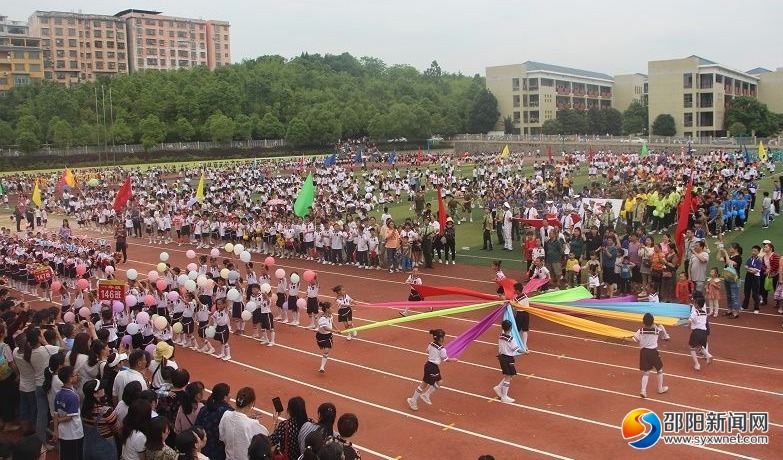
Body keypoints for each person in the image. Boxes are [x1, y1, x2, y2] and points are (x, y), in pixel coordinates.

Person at [219, 387, 268, 460]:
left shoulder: (226, 415)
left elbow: (222, 437)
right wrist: (275, 422)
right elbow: (266, 438)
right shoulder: (252, 423)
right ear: (251, 403)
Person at [407, 329, 450, 411]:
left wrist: (434, 355)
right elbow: (446, 359)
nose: (444, 338)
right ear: (441, 338)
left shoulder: (431, 344)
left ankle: (425, 395)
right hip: (432, 367)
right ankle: (413, 400)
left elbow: (427, 351)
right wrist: (453, 359)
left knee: (439, 382)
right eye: (444, 337)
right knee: (424, 384)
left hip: (430, 366)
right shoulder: (442, 349)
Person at [632, 313, 669, 398]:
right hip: (653, 352)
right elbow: (660, 328)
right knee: (659, 369)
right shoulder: (656, 331)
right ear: (652, 322)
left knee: (646, 372)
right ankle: (660, 388)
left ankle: (643, 390)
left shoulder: (640, 331)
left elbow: (634, 339)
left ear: (643, 322)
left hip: (644, 352)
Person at [81, 378, 119, 460]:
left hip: (88, 448)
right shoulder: (106, 411)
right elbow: (116, 429)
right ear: (95, 394)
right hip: (105, 451)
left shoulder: (84, 409)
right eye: (101, 388)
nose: (103, 389)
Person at [194, 383, 232, 460]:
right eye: (229, 393)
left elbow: (197, 427)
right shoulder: (228, 412)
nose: (230, 395)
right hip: (219, 450)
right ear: (225, 397)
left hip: (204, 447)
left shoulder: (204, 408)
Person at [54, 366, 85, 460]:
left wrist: (56, 431)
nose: (77, 376)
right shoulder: (72, 396)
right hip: (74, 433)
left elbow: (55, 414)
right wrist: (59, 419)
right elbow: (69, 417)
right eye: (75, 375)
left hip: (63, 433)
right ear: (70, 378)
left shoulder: (58, 394)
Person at [493, 320, 523, 404]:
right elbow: (516, 349)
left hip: (502, 357)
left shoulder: (500, 337)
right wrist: (525, 352)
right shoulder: (510, 339)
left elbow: (500, 348)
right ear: (511, 328)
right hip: (508, 359)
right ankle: (504, 396)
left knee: (509, 375)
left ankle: (498, 388)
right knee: (508, 376)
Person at [688, 297, 713, 371]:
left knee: (691, 348)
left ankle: (697, 364)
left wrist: (680, 324)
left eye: (694, 303)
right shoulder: (704, 313)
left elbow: (689, 321)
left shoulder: (695, 313)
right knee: (699, 346)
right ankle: (708, 355)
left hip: (696, 332)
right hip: (704, 333)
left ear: (696, 305)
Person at [741, 245, 763, 314]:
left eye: (755, 251)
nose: (753, 252)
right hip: (748, 277)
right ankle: (745, 306)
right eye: (752, 250)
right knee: (746, 292)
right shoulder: (749, 259)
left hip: (755, 278)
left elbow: (756, 271)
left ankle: (756, 308)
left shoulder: (759, 260)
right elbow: (745, 268)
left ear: (758, 252)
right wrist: (751, 269)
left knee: (755, 293)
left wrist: (749, 269)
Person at [316, 302, 336, 373]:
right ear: (327, 309)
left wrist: (336, 329)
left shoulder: (331, 316)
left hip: (328, 336)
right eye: (331, 307)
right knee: (323, 348)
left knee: (326, 351)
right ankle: (323, 351)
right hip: (320, 336)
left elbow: (332, 323)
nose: (333, 309)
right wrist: (335, 331)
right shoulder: (322, 319)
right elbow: (325, 328)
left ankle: (322, 367)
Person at [511, 282, 531, 352]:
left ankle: (519, 344)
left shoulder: (516, 299)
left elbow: (513, 305)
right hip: (526, 314)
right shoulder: (525, 295)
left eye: (514, 289)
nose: (513, 291)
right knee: (525, 330)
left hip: (520, 314)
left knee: (518, 329)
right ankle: (524, 345)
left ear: (518, 290)